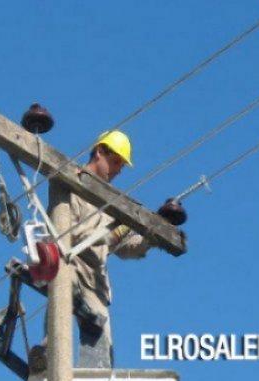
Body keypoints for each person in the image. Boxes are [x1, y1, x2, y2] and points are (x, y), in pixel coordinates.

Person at [69, 130, 187, 368]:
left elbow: (125, 248)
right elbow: (66, 231)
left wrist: (153, 233)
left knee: (103, 353)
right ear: (100, 152)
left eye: (121, 166)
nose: (118, 170)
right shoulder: (72, 181)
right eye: (115, 162)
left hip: (95, 282)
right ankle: (45, 366)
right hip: (68, 268)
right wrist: (110, 235)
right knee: (56, 332)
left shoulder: (109, 201)